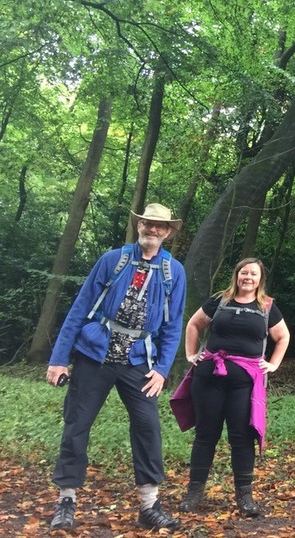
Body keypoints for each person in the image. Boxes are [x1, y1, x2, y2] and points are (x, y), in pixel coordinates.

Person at [46, 203, 186, 531]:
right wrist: (57, 359)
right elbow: (80, 307)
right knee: (77, 423)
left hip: (139, 359)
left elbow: (174, 323)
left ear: (167, 233)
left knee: (148, 427)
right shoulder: (113, 260)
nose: (152, 230)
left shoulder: (172, 271)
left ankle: (149, 505)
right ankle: (67, 499)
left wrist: (163, 368)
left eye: (159, 226)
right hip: (95, 353)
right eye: (147, 224)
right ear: (139, 226)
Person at [176, 257, 290, 518]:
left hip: (245, 384)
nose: (247, 277)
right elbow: (193, 324)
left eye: (253, 274)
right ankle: (194, 493)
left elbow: (282, 336)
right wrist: (191, 354)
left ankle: (244, 496)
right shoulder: (220, 300)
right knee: (206, 435)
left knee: (241, 437)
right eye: (243, 273)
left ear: (260, 279)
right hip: (209, 378)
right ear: (236, 276)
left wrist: (273, 364)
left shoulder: (267, 306)